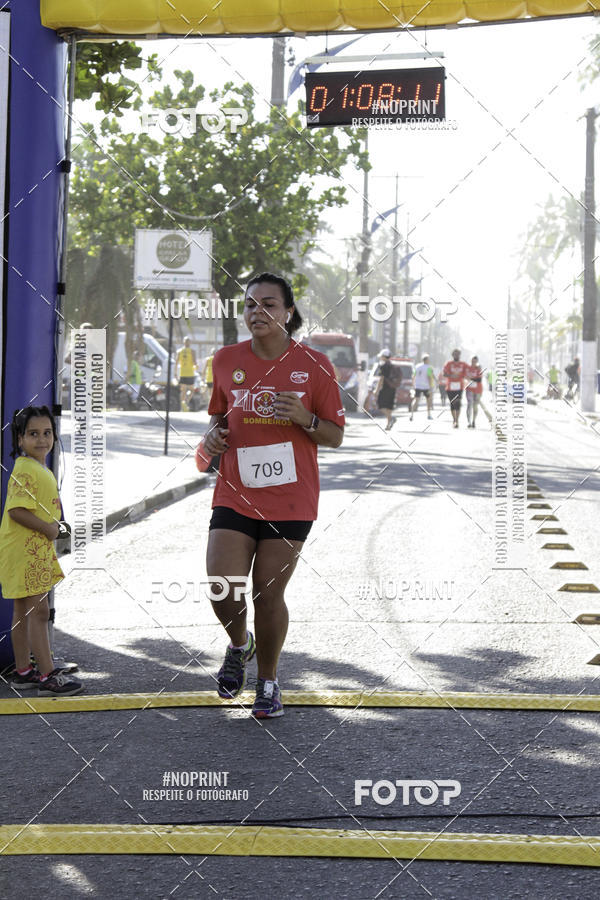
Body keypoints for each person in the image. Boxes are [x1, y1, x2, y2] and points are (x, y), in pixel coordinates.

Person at [203, 273, 344, 719]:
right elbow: (216, 420)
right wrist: (215, 439)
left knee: (267, 593)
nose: (256, 313)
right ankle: (238, 644)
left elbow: (335, 435)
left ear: (287, 313)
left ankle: (268, 682)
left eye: (267, 304)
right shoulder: (225, 360)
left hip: (290, 499)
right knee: (221, 586)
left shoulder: (316, 364)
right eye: (249, 305)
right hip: (235, 491)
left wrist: (305, 417)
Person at [0, 407, 83, 696]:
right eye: (33, 434)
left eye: (47, 433)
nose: (42, 439)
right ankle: (47, 676)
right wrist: (49, 529)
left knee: (23, 612)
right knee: (39, 612)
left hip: (25, 551)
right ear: (19, 439)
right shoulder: (26, 469)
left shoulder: (33, 467)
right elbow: (16, 511)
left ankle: (24, 670)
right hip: (27, 552)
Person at [443, 349, 468, 428]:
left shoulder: (463, 364)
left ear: (459, 355)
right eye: (455, 354)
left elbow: (469, 371)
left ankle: (457, 420)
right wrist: (451, 376)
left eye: (458, 354)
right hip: (450, 387)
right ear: (452, 355)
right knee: (452, 404)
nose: (456, 355)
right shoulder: (448, 364)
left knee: (458, 403)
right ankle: (454, 419)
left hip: (459, 386)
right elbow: (444, 374)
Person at [375, 349, 397, 430]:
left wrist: (376, 390)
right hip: (393, 389)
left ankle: (391, 418)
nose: (380, 358)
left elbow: (381, 379)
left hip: (385, 389)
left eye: (381, 356)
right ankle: (388, 425)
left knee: (380, 406)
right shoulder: (393, 366)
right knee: (389, 407)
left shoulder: (383, 366)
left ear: (384, 357)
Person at [410, 354, 435, 421]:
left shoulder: (417, 366)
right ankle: (429, 414)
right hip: (426, 386)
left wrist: (413, 385)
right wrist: (430, 387)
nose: (429, 360)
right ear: (426, 360)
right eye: (428, 359)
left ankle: (411, 414)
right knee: (428, 400)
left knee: (416, 400)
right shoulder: (429, 367)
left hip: (417, 385)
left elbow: (413, 376)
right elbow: (429, 377)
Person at [176, 336, 197, 411]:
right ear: (189, 343)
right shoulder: (192, 351)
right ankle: (186, 401)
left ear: (183, 342)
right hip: (190, 373)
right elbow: (195, 363)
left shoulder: (179, 351)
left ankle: (182, 405)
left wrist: (175, 374)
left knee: (183, 390)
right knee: (192, 390)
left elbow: (176, 363)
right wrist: (196, 367)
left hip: (182, 373)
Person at [465, 355, 484, 428]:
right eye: (472, 361)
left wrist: (470, 378)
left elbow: (479, 380)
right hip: (469, 389)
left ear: (477, 361)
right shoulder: (467, 368)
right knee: (469, 405)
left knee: (475, 406)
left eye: (475, 361)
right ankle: (469, 422)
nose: (473, 362)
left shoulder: (479, 369)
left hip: (478, 390)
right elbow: (463, 376)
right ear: (471, 361)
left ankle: (473, 421)